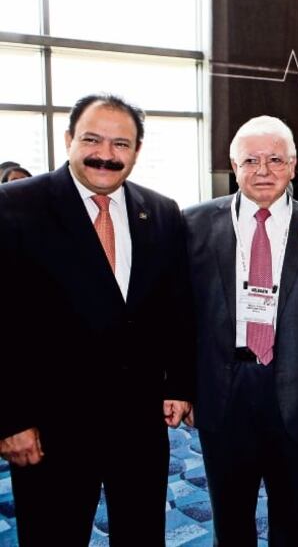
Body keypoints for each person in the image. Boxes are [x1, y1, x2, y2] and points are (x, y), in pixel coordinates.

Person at [0, 94, 193, 545]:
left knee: (142, 534)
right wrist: (9, 419)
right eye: (92, 139)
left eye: (121, 144)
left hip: (139, 428)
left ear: (137, 151)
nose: (105, 154)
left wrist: (180, 385)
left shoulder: (162, 211)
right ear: (68, 139)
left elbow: (177, 308)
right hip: (50, 431)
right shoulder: (14, 207)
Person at [183, 116, 298, 543]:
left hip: (293, 386)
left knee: (291, 510)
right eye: (251, 160)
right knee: (229, 509)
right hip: (222, 387)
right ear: (232, 165)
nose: (263, 170)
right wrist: (180, 387)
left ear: (293, 165)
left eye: (275, 159)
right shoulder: (194, 224)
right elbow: (180, 316)